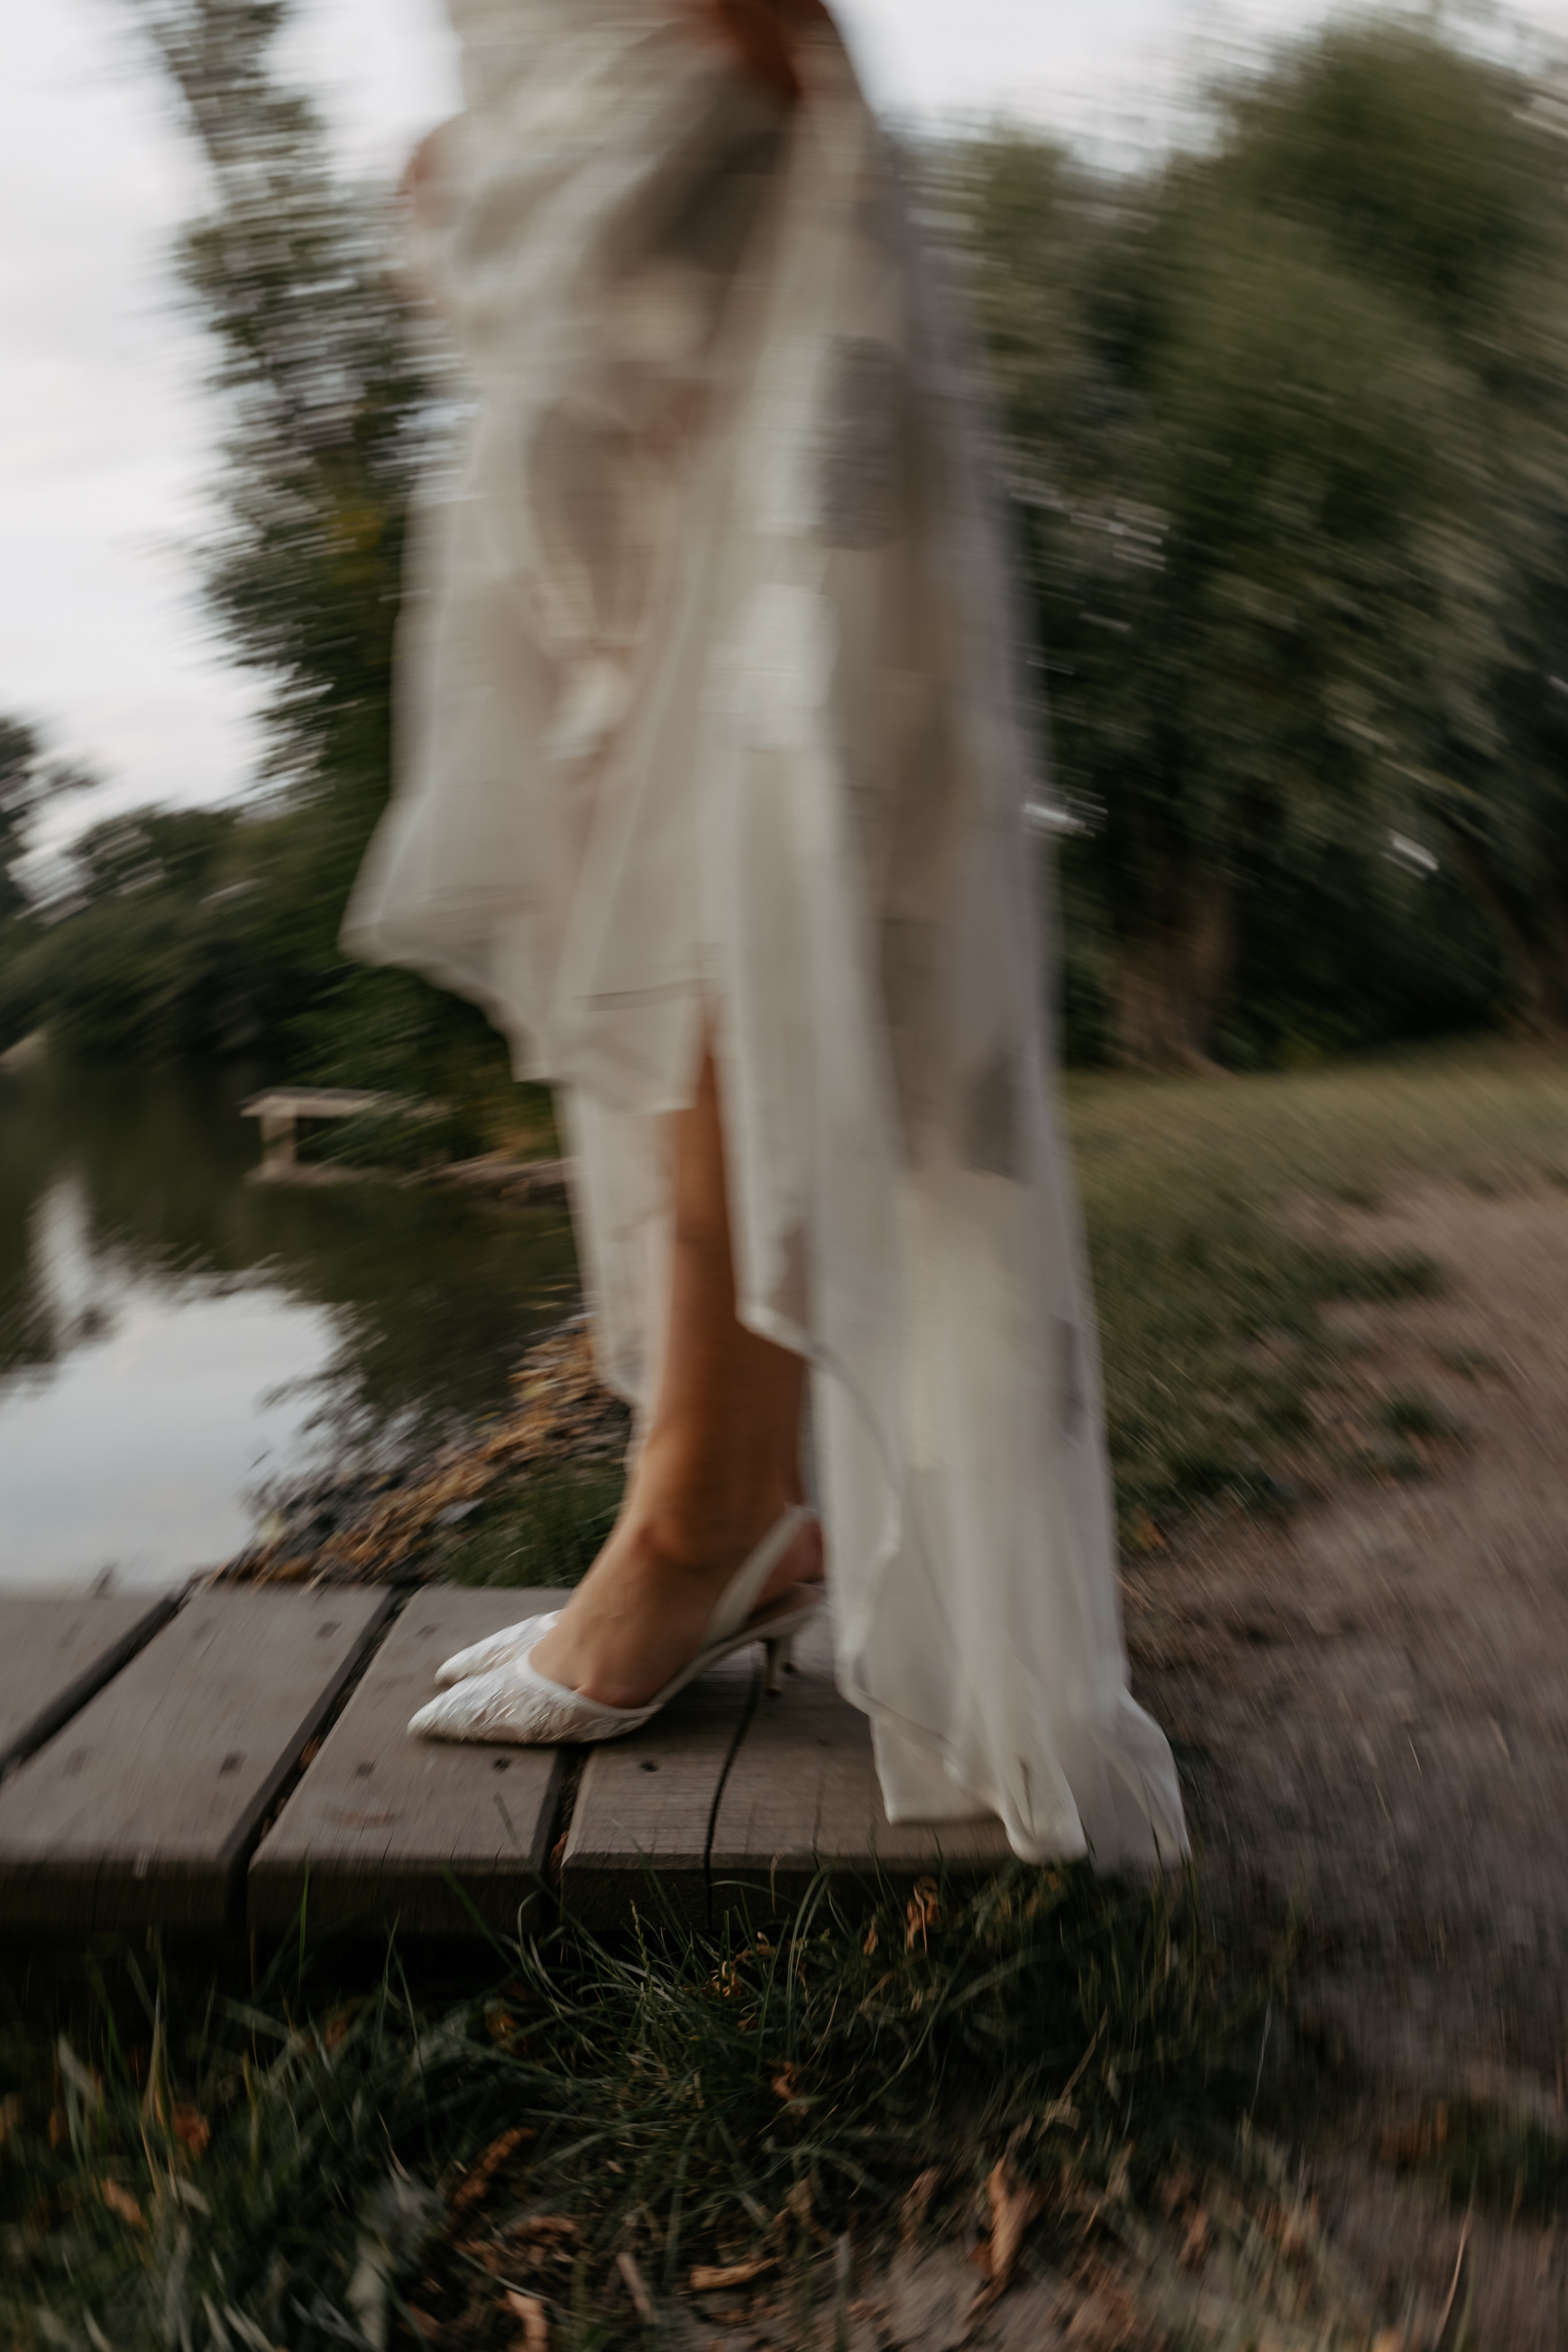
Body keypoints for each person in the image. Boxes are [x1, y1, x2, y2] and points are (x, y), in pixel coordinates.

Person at [342, 0, 1187, 1868]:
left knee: (735, 816)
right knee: (626, 816)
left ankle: (703, 1509)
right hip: (584, 130)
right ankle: (734, 1489)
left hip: (688, 132)